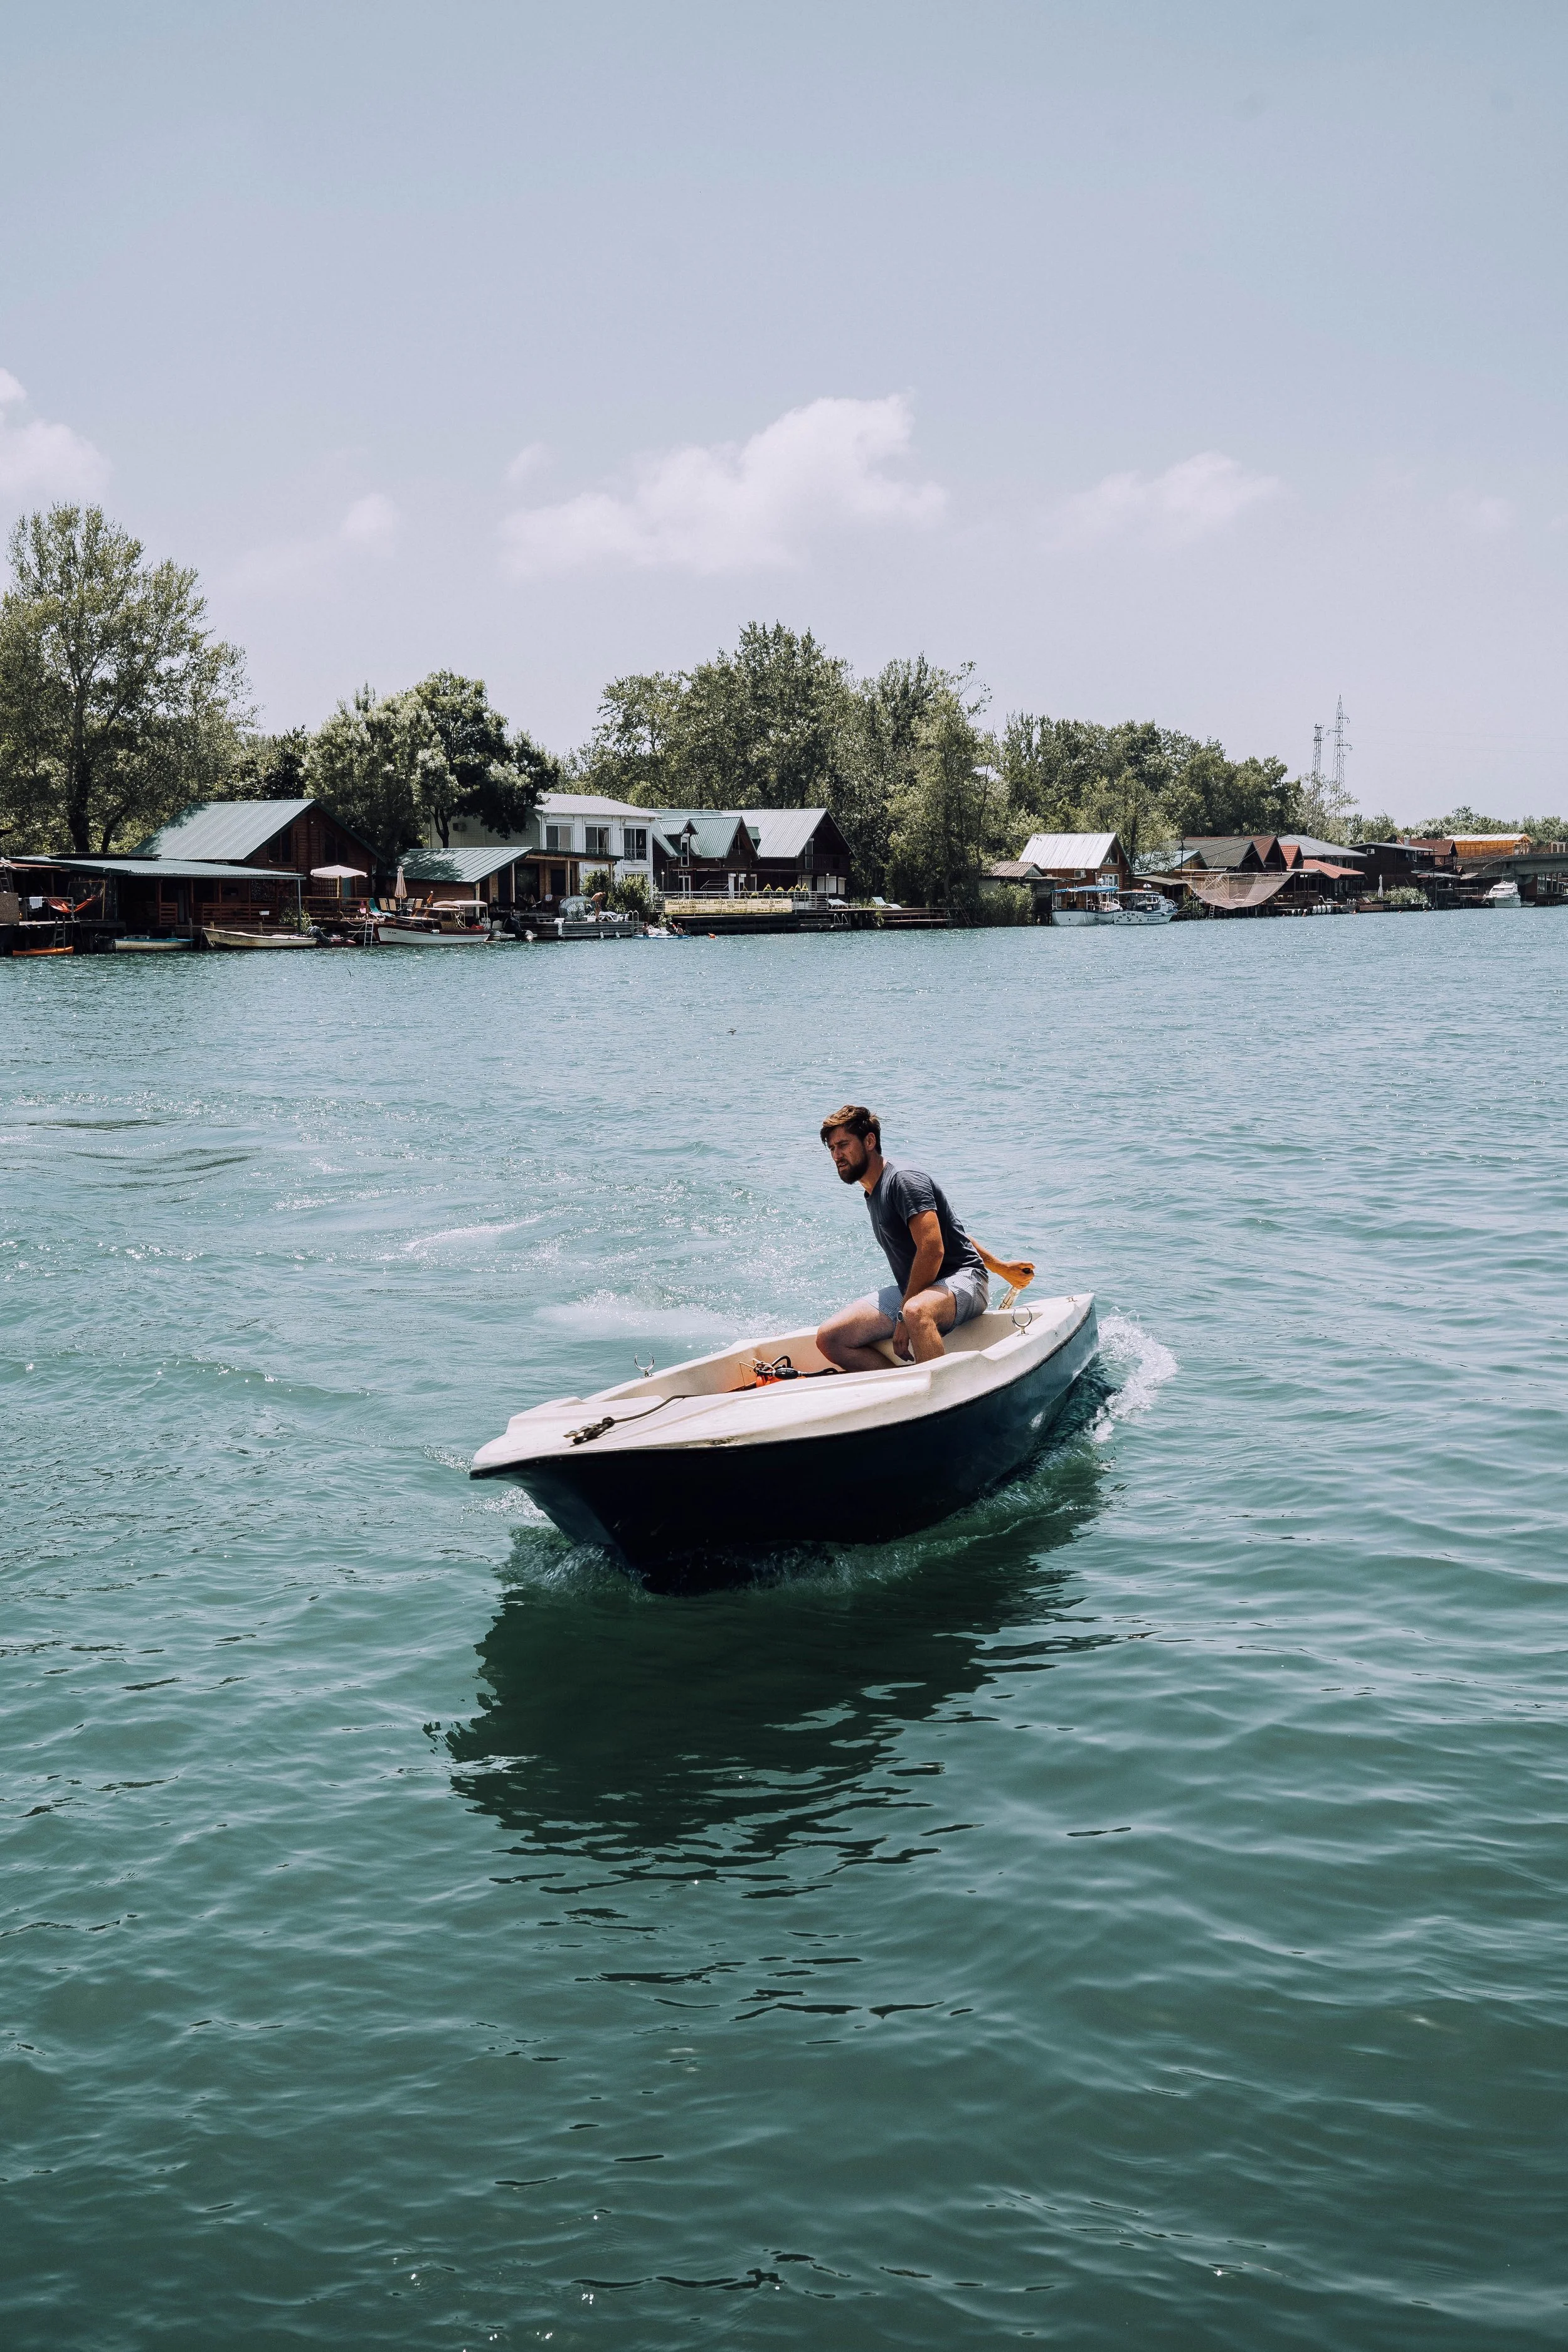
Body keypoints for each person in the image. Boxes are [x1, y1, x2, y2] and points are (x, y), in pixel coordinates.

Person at [815, 1104, 988, 1369]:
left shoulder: (903, 1180)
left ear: (870, 1141)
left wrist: (903, 1316)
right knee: (831, 1338)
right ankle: (898, 1394)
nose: (837, 1155)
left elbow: (933, 1248)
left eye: (843, 1145)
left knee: (916, 1312)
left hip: (964, 1281)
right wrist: (1002, 1266)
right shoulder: (873, 1191)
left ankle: (941, 1399)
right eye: (831, 1149)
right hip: (919, 1287)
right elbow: (952, 1230)